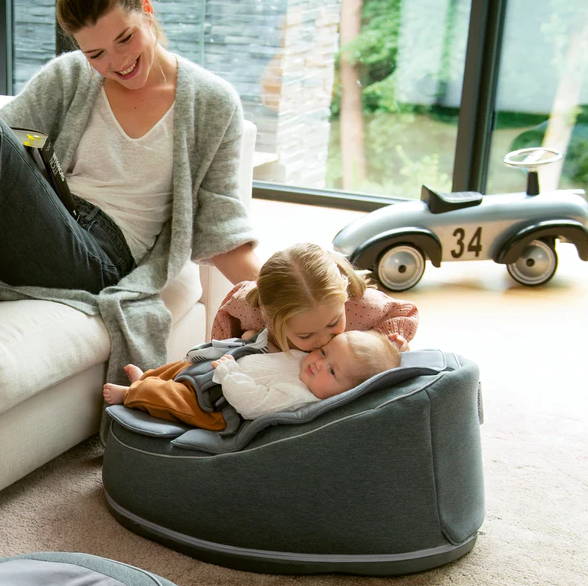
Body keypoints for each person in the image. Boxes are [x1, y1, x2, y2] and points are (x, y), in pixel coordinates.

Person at [0, 1, 261, 393]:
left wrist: (288, 296)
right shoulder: (69, 76)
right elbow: (12, 162)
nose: (118, 62)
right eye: (96, 54)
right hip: (51, 223)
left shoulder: (211, 102)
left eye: (125, 38)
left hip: (103, 256)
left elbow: (220, 227)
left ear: (146, 9)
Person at [103, 328, 401, 426]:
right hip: (219, 373)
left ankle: (132, 394)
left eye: (332, 371)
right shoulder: (308, 364)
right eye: (323, 352)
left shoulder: (299, 396)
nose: (319, 363)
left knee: (171, 398)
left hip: (218, 405)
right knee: (179, 369)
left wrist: (229, 373)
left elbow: (253, 403)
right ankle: (146, 377)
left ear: (346, 393)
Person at [210, 242, 419, 353]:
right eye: (305, 335)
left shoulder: (360, 306)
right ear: (271, 319)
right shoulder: (251, 309)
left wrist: (384, 342)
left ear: (344, 294)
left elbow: (404, 311)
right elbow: (226, 315)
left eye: (333, 323)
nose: (324, 340)